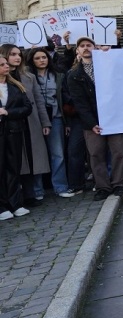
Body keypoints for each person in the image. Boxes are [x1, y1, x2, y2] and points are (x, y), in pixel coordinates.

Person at [66, 37, 123, 200]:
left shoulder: (108, 65)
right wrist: (91, 123)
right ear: (77, 50)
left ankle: (119, 184)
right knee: (95, 154)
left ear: (95, 47)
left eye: (89, 45)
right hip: (91, 121)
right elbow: (79, 102)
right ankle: (102, 186)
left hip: (114, 117)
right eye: (82, 46)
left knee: (119, 152)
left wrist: (110, 53)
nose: (86, 48)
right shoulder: (74, 75)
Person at [0, 45, 51, 207]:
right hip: (9, 125)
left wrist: (45, 122)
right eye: (13, 54)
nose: (17, 57)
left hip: (30, 122)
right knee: (15, 160)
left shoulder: (28, 76)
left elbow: (39, 101)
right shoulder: (4, 79)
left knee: (30, 156)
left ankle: (31, 193)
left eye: (19, 54)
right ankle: (14, 198)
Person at [26, 48, 76, 197]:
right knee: (37, 154)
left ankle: (60, 187)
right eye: (37, 58)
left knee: (58, 154)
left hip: (56, 117)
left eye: (44, 57)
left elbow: (63, 98)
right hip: (35, 119)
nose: (42, 60)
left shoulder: (58, 75)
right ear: (31, 61)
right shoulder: (27, 76)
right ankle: (37, 190)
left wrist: (67, 122)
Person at [0, 55, 32, 219]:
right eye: (2, 64)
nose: (6, 66)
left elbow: (27, 108)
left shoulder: (15, 86)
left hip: (14, 131)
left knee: (14, 167)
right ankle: (2, 206)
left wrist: (8, 112)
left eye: (6, 64)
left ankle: (15, 203)